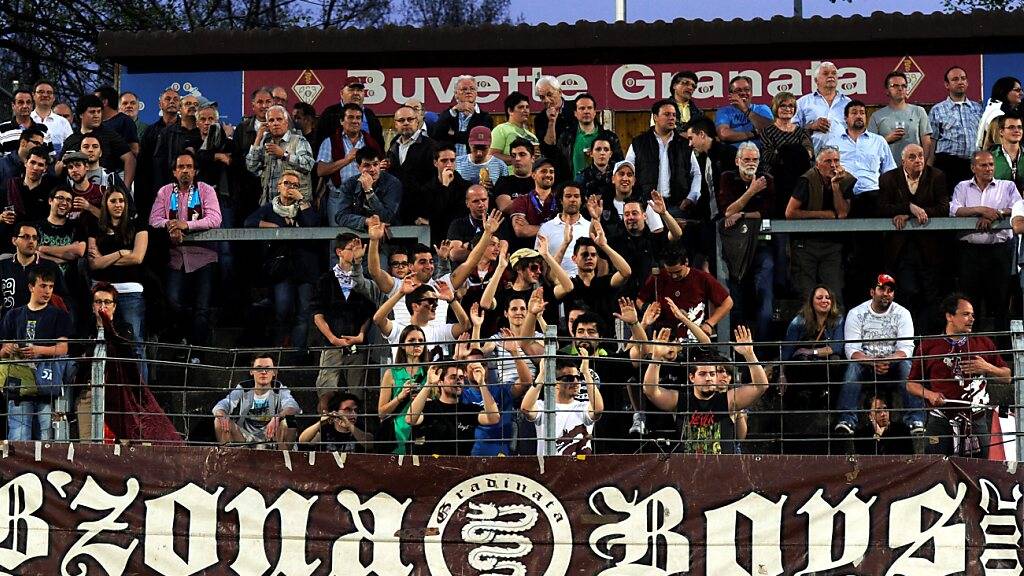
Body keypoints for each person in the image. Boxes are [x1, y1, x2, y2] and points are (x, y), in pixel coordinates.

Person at [906, 293, 1010, 458]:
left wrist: (987, 367)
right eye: (966, 314)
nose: (972, 319)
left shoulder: (983, 343)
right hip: (940, 418)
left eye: (972, 315)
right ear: (949, 316)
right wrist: (930, 394)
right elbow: (911, 384)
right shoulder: (928, 346)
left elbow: (1007, 377)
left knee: (981, 467)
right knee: (934, 466)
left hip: (976, 419)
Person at [643, 326, 768, 455]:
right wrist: (656, 358)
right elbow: (650, 391)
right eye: (702, 374)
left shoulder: (728, 400)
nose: (708, 378)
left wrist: (749, 355)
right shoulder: (680, 399)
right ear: (692, 377)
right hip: (688, 465)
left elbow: (761, 386)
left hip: (721, 466)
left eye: (712, 374)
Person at [149, 151, 222, 348]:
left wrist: (186, 225)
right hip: (175, 258)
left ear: (195, 171)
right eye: (181, 167)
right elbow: (154, 220)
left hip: (203, 257)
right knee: (173, 302)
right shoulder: (165, 192)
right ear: (174, 172)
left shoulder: (205, 190)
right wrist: (171, 225)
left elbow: (215, 219)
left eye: (189, 167)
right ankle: (181, 342)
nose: (185, 171)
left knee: (202, 307)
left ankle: (197, 351)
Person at [835, 274, 923, 438]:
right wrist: (873, 362)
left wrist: (887, 360)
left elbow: (906, 348)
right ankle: (847, 420)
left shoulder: (902, 313)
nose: (886, 293)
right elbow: (851, 350)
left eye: (890, 290)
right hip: (866, 365)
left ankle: (915, 420)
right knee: (853, 366)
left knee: (906, 365)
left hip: (893, 365)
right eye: (882, 289)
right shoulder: (856, 313)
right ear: (872, 292)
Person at [876, 144, 950, 329]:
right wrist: (908, 207)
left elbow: (943, 208)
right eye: (912, 157)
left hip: (930, 249)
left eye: (920, 156)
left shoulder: (937, 176)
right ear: (903, 161)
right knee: (907, 292)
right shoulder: (888, 178)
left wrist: (910, 214)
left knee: (931, 295)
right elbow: (882, 208)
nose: (918, 160)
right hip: (901, 249)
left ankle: (928, 337)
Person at [1, 267, 71, 441]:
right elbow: (2, 351)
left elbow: (63, 349)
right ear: (31, 287)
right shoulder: (13, 315)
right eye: (43, 286)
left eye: (51, 287)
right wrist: (6, 350)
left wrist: (37, 350)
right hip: (19, 385)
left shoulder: (59, 315)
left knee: (45, 436)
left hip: (45, 383)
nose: (47, 291)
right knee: (18, 435)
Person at [950, 150, 1018, 331]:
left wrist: (996, 214)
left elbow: (1018, 207)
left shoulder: (1007, 186)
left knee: (1001, 301)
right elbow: (955, 210)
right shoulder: (962, 187)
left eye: (991, 164)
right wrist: (981, 210)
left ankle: (1001, 346)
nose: (989, 168)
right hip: (970, 253)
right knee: (970, 302)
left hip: (1000, 251)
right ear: (973, 168)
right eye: (983, 165)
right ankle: (973, 344)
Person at [87, 189, 149, 380]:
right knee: (102, 341)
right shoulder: (95, 227)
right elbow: (94, 264)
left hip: (131, 292)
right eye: (113, 201)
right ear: (106, 204)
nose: (118, 204)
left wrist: (105, 259)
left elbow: (137, 258)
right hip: (102, 293)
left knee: (135, 344)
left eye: (121, 200)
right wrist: (121, 253)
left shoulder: (137, 226)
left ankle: (141, 394)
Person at [254, 170, 319, 349]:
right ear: (278, 186)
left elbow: (313, 224)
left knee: (303, 313)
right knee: (282, 309)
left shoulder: (304, 207)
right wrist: (273, 226)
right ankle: (279, 350)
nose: (291, 188)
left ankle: (298, 354)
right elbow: (249, 222)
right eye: (287, 183)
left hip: (305, 267)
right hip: (282, 269)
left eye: (295, 185)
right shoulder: (269, 208)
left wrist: (302, 201)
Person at [311, 231, 375, 414]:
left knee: (356, 395)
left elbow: (369, 313)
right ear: (339, 251)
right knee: (326, 393)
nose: (355, 252)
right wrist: (332, 339)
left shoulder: (363, 281)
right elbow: (317, 314)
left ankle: (353, 429)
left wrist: (361, 335)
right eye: (351, 249)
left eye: (358, 249)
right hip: (331, 345)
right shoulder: (325, 280)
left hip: (357, 346)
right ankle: (325, 428)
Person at [717, 142, 775, 339]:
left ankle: (763, 347)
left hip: (760, 245)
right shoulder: (727, 177)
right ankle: (738, 346)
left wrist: (741, 214)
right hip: (734, 247)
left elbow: (767, 212)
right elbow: (727, 211)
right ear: (737, 161)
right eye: (747, 159)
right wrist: (751, 191)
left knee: (764, 294)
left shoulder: (766, 179)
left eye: (755, 160)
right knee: (735, 300)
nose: (751, 163)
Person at [785, 145, 854, 308]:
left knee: (834, 295)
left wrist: (836, 186)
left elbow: (842, 213)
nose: (833, 165)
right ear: (817, 164)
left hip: (832, 246)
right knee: (807, 296)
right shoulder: (807, 180)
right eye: (828, 161)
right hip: (805, 245)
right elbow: (790, 212)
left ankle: (836, 325)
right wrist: (822, 214)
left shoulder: (846, 180)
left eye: (836, 161)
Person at [780, 284, 845, 454]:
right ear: (811, 302)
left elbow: (836, 347)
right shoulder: (799, 321)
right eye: (819, 298)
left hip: (825, 367)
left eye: (828, 298)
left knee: (836, 361)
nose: (824, 301)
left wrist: (811, 351)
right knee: (798, 362)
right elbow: (786, 352)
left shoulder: (838, 320)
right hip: (803, 369)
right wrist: (781, 374)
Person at [636, 243, 733, 340]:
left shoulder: (702, 278)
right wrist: (647, 309)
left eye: (678, 272)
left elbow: (727, 302)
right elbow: (639, 300)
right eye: (670, 272)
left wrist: (710, 323)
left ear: (686, 262)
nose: (674, 276)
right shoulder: (658, 277)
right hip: (664, 337)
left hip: (693, 336)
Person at [405, 361, 500, 455]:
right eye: (453, 377)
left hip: (461, 464)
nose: (458, 381)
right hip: (430, 463)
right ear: (440, 382)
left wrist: (481, 383)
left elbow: (494, 418)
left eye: (461, 378)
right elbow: (410, 419)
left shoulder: (468, 410)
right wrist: (429, 384)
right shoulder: (429, 407)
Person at [625, 99, 701, 218]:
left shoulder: (684, 144)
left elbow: (696, 173)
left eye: (674, 115)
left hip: (678, 206)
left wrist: (691, 197)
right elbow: (628, 171)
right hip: (647, 206)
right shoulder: (639, 143)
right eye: (667, 114)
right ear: (655, 117)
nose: (672, 118)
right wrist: (635, 199)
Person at [520, 351, 603, 456]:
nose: (576, 382)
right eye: (569, 378)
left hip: (581, 465)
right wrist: (541, 375)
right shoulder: (542, 406)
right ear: (556, 383)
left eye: (578, 377)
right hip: (549, 465)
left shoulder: (583, 407)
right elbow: (526, 409)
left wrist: (586, 373)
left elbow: (598, 410)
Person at [213, 354, 301, 449]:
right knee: (219, 420)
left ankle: (284, 456)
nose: (263, 372)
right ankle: (229, 457)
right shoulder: (243, 388)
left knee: (290, 420)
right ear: (252, 371)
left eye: (268, 368)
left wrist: (277, 418)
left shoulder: (280, 389)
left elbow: (293, 407)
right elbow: (222, 405)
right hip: (245, 439)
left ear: (274, 372)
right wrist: (222, 414)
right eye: (259, 368)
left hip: (272, 437)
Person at [826, 99, 896, 216]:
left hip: (873, 193)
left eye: (862, 113)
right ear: (846, 118)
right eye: (854, 113)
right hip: (844, 194)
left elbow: (890, 171)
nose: (859, 116)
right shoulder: (833, 143)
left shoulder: (878, 141)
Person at [245, 105, 314, 205]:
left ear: (286, 122)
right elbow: (251, 166)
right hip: (269, 203)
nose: (275, 123)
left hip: (294, 204)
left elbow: (308, 164)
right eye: (271, 120)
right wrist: (258, 138)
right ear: (267, 124)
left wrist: (284, 155)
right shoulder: (265, 142)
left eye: (279, 119)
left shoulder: (299, 140)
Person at [929, 65, 984, 186]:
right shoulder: (937, 110)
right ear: (947, 85)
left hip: (973, 165)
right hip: (948, 164)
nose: (960, 82)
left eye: (963, 78)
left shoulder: (978, 108)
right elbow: (932, 141)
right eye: (955, 79)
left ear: (967, 82)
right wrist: (929, 170)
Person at [316, 102, 382, 204]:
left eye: (358, 118)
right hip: (339, 196)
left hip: (365, 195)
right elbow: (321, 170)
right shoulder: (330, 141)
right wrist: (346, 160)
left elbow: (379, 168)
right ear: (342, 121)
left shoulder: (371, 142)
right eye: (350, 117)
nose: (355, 121)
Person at [378, 324, 428, 455]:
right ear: (402, 345)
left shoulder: (430, 373)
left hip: (422, 430)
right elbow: (381, 412)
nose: (417, 344)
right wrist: (400, 397)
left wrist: (423, 399)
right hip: (396, 433)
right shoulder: (391, 373)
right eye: (411, 340)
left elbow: (439, 403)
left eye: (421, 341)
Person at [0, 223, 64, 319]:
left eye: (34, 238)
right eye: (26, 237)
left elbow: (63, 300)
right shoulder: (3, 266)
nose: (31, 241)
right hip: (8, 324)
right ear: (14, 240)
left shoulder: (50, 267)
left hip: (41, 323)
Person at [867, 71, 934, 162]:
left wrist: (923, 165)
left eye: (903, 86)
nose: (900, 89)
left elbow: (927, 143)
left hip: (914, 166)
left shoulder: (918, 111)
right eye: (895, 86)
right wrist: (887, 139)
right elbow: (870, 146)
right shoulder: (877, 116)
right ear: (887, 91)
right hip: (888, 168)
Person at [331, 146, 402, 231]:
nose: (372, 169)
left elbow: (387, 218)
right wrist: (366, 221)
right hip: (358, 232)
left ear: (380, 164)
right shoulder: (349, 184)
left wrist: (369, 192)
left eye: (375, 164)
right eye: (367, 165)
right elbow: (341, 216)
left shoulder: (393, 183)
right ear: (358, 167)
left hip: (389, 233)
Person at [795, 61, 853, 153]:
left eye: (834, 73)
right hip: (813, 156)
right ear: (816, 80)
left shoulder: (848, 102)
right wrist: (811, 126)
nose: (831, 76)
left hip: (844, 156)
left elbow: (854, 129)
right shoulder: (803, 102)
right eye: (826, 73)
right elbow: (792, 131)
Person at [430, 75, 493, 157]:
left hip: (474, 161)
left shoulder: (485, 117)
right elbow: (435, 134)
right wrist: (453, 111)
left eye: (472, 89)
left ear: (476, 93)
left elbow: (476, 139)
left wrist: (452, 133)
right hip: (450, 161)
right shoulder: (448, 114)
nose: (468, 92)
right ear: (456, 94)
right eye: (464, 89)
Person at [536, 182, 590, 275]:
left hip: (585, 280)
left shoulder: (589, 227)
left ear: (581, 200)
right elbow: (540, 262)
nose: (572, 199)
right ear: (561, 200)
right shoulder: (546, 228)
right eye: (568, 196)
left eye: (576, 196)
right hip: (555, 280)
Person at [299, 391, 373, 453]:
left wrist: (350, 426)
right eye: (347, 410)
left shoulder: (360, 425)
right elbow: (302, 441)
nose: (353, 414)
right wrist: (319, 423)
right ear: (335, 411)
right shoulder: (326, 428)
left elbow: (370, 444)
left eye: (355, 410)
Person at [715, 75, 774, 152]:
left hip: (760, 154)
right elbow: (724, 135)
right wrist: (754, 133)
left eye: (747, 89)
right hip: (734, 155)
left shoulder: (762, 109)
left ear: (751, 93)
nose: (743, 93)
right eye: (738, 90)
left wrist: (745, 109)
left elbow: (770, 130)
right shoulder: (724, 111)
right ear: (731, 95)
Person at [490, 92, 538, 164]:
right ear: (510, 111)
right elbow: (492, 155)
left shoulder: (532, 136)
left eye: (527, 107)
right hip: (508, 171)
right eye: (521, 107)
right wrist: (518, 159)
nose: (525, 110)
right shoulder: (500, 129)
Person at [977, 76, 1022, 151]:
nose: (1021, 93)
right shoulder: (998, 114)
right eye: (1017, 90)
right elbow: (1002, 149)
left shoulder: (994, 108)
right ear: (1004, 92)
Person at [492, 137, 536, 210]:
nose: (517, 159)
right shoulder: (504, 181)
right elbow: (505, 207)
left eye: (522, 154)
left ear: (533, 158)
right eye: (513, 155)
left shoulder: (539, 181)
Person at [31, 81, 72, 156]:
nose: (45, 95)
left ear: (53, 97)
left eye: (49, 92)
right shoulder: (26, 119)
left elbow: (71, 149)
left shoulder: (63, 122)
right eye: (41, 92)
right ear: (33, 95)